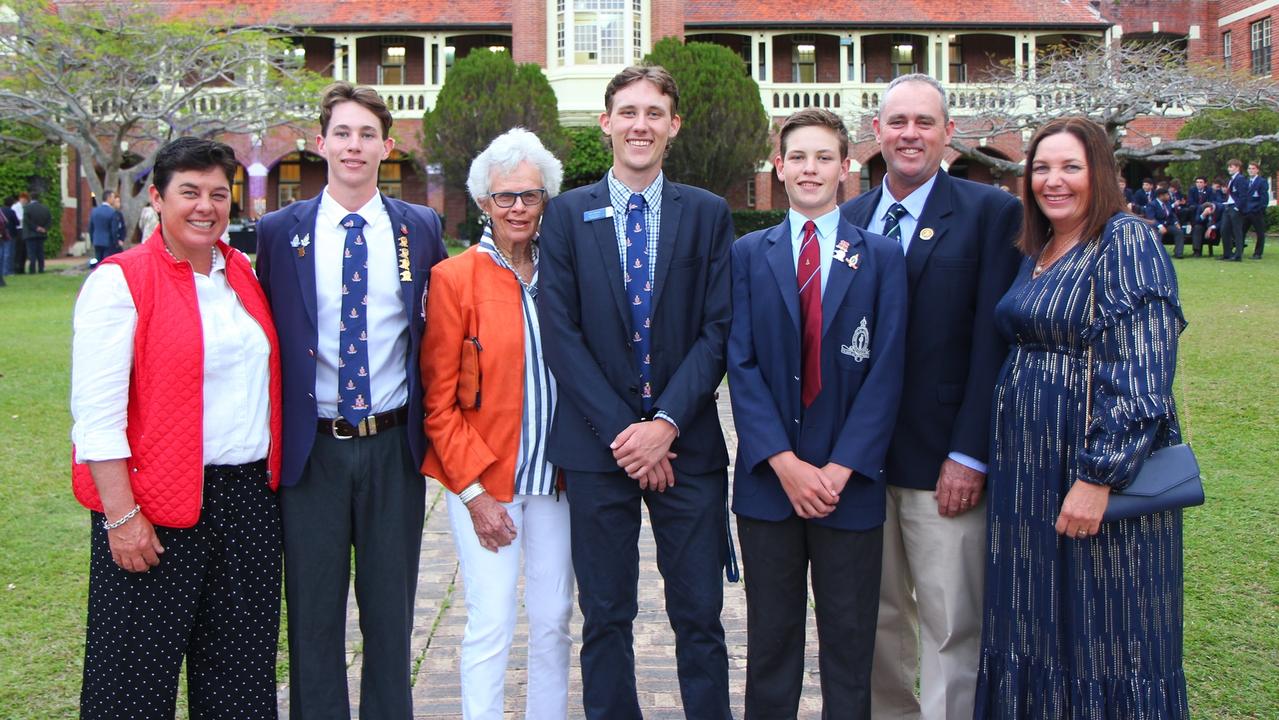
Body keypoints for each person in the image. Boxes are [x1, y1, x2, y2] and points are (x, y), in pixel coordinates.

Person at [974, 116, 1188, 718]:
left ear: (1101, 173)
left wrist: (1099, 476)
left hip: (1089, 473)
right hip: (1027, 479)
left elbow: (1142, 372)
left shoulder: (1126, 241)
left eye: (1071, 167)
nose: (1053, 181)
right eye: (1041, 168)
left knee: (1103, 627)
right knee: (1035, 622)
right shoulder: (1038, 248)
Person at [537, 65, 734, 720]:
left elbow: (717, 329)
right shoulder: (565, 215)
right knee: (606, 615)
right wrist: (628, 434)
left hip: (689, 448)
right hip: (599, 450)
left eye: (654, 113)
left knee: (699, 614)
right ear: (606, 122)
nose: (640, 124)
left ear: (673, 125)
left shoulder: (705, 214)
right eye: (628, 112)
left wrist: (666, 424)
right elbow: (560, 334)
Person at [69, 137, 284, 718]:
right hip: (154, 509)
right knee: (133, 685)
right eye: (189, 192)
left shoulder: (241, 275)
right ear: (158, 199)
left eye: (219, 194)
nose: (205, 207)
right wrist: (121, 517)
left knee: (240, 682)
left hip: (246, 506)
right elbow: (97, 418)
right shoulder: (120, 282)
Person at [256, 82, 447, 718]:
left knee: (391, 613)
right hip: (314, 452)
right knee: (313, 614)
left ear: (387, 146)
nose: (355, 145)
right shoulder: (281, 232)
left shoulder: (417, 227)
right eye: (343, 132)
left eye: (367, 134)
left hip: (393, 446)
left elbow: (438, 330)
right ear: (321, 144)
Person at [839, 73, 1022, 720]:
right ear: (877, 133)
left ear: (947, 132)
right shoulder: (848, 220)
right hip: (859, 467)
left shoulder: (990, 214)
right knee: (877, 625)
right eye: (897, 122)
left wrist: (970, 454)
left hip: (943, 463)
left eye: (923, 122)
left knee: (952, 626)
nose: (909, 134)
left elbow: (992, 343)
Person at [729, 108, 907, 718]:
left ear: (847, 168)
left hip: (847, 489)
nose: (810, 169)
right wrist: (784, 464)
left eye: (823, 157)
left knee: (849, 643)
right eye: (798, 157)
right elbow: (741, 366)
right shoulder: (750, 253)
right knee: (771, 644)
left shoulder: (881, 257)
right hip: (768, 487)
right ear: (778, 168)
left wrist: (837, 469)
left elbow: (885, 371)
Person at [420, 128, 574, 719]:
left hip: (555, 481)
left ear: (545, 201)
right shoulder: (455, 278)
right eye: (504, 196)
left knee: (555, 617)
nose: (517, 208)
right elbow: (438, 404)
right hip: (487, 483)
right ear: (484, 201)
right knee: (490, 621)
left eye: (529, 197)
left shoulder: (563, 272)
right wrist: (476, 494)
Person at [1146, 186, 1187, 258]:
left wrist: (1176, 223)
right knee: (1158, 233)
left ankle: (1178, 253)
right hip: (1156, 226)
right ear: (1161, 196)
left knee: (1179, 232)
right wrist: (1160, 226)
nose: (1168, 196)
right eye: (1167, 195)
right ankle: (1157, 254)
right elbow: (1151, 218)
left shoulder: (1167, 203)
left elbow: (1171, 215)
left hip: (1167, 225)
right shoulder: (1152, 204)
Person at [89, 190, 127, 265]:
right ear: (109, 198)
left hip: (97, 242)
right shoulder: (112, 212)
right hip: (108, 243)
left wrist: (92, 240)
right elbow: (114, 230)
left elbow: (91, 228)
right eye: (113, 197)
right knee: (107, 263)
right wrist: (116, 243)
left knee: (99, 263)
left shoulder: (94, 211)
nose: (114, 199)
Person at [1220, 158, 1247, 261]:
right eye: (1229, 166)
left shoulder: (1240, 179)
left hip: (1234, 207)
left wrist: (1237, 207)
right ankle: (1227, 253)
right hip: (1228, 206)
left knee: (1237, 231)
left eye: (1231, 166)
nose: (1229, 168)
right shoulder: (1232, 179)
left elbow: (1243, 195)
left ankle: (1238, 255)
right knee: (1224, 229)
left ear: (1237, 167)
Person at [1243, 161, 1268, 259]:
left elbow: (1264, 198)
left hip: (1256, 211)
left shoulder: (1262, 181)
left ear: (1257, 170)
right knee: (1241, 231)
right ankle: (1238, 251)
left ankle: (1258, 253)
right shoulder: (1246, 181)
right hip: (1246, 211)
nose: (1251, 170)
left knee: (1260, 233)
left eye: (1253, 168)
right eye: (1249, 168)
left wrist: (1259, 209)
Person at [22, 191, 51, 274]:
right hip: (41, 234)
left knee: (32, 253)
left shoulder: (27, 208)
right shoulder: (45, 208)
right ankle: (41, 269)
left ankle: (32, 270)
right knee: (40, 252)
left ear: (30, 198)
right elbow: (49, 220)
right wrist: (44, 228)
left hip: (30, 234)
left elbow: (27, 221)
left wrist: (36, 228)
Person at [1187, 176, 1215, 257]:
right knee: (1197, 228)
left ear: (1205, 183)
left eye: (1201, 182)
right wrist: (1201, 207)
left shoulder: (1209, 191)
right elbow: (1190, 202)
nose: (1198, 184)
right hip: (1196, 214)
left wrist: (1205, 208)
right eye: (1197, 182)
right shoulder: (1192, 190)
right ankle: (1197, 251)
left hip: (1209, 215)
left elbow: (1211, 202)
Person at [9, 192, 27, 274]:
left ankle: (21, 268)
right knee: (19, 250)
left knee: (24, 250)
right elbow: (18, 219)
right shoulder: (15, 207)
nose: (25, 201)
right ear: (21, 199)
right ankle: (17, 268)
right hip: (19, 229)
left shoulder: (25, 207)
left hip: (24, 229)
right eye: (24, 199)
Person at [1, 196, 18, 278]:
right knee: (9, 253)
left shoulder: (1, 210)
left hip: (2, 234)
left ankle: (3, 270)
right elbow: (17, 222)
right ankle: (7, 271)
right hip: (10, 234)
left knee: (2, 252)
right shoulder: (11, 211)